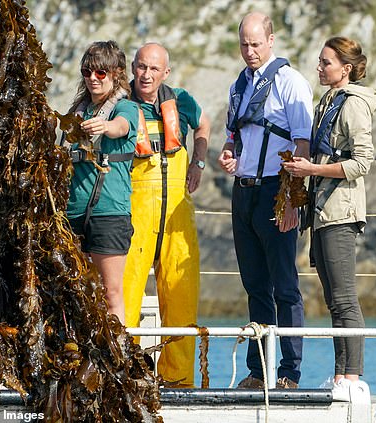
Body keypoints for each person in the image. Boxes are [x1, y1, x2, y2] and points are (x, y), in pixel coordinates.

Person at [217, 12, 313, 389]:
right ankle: (258, 372)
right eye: (244, 44)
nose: (250, 51)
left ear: (271, 41)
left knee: (285, 285)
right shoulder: (239, 84)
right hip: (243, 191)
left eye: (256, 44)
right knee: (254, 285)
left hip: (277, 189)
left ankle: (289, 372)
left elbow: (302, 145)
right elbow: (233, 135)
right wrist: (228, 153)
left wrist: (292, 200)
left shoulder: (291, 83)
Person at [283, 36, 376, 400]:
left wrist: (312, 167)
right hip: (323, 210)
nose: (319, 68)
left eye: (326, 62)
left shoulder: (353, 104)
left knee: (345, 297)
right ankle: (341, 376)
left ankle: (352, 377)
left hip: (341, 211)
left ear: (346, 68)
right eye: (320, 61)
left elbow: (363, 161)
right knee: (334, 299)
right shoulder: (328, 102)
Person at [123, 42, 210, 388]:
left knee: (181, 296)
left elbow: (203, 125)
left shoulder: (182, 101)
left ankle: (178, 379)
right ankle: (125, 375)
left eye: (153, 69)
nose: (146, 75)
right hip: (134, 214)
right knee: (125, 298)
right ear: (132, 67)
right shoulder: (121, 104)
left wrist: (198, 162)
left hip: (176, 214)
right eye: (141, 67)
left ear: (165, 73)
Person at [64, 41, 139, 324]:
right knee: (75, 292)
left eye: (101, 73)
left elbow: (122, 126)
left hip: (109, 213)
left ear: (116, 73)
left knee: (110, 292)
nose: (93, 78)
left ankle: (116, 358)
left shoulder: (126, 108)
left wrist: (105, 127)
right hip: (73, 213)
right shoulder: (78, 111)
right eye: (87, 72)